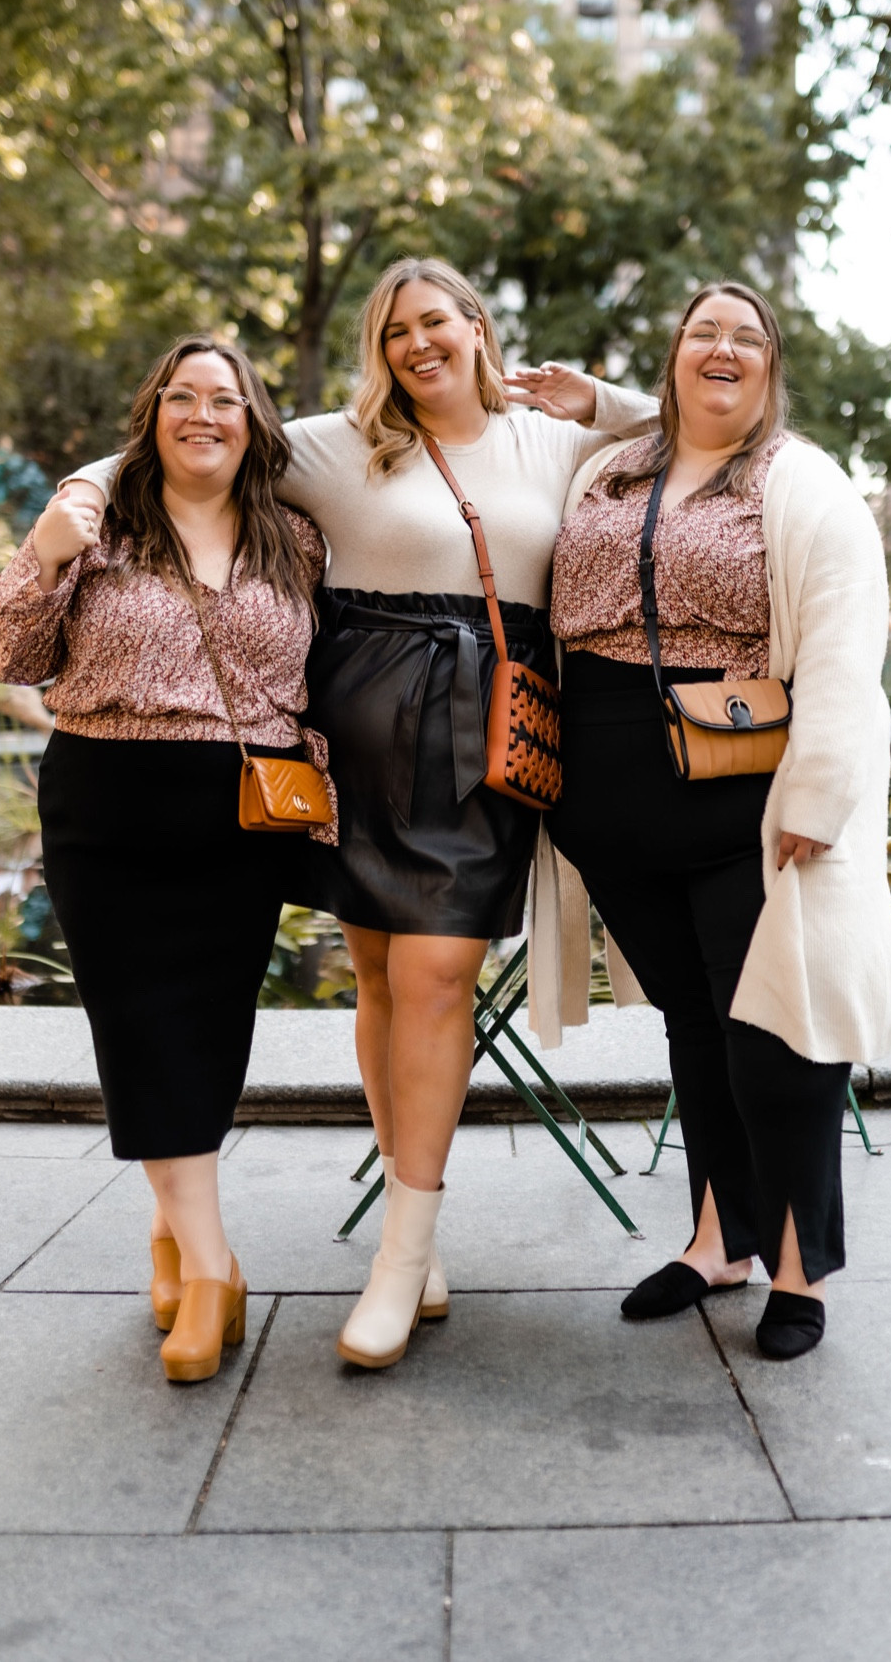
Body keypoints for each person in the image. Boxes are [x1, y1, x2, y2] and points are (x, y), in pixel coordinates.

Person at [59, 258, 657, 1369]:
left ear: (476, 326)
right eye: (394, 331)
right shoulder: (342, 444)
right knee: (379, 977)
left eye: (434, 321)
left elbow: (701, 425)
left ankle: (401, 1252)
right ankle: (408, 1227)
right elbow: (188, 444)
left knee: (438, 976)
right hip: (359, 723)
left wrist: (598, 397)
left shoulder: (554, 441)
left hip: (484, 728)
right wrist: (82, 494)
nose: (416, 344)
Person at [533, 280, 891, 1361]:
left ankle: (798, 1268)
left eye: (746, 337)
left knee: (777, 1035)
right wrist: (604, 401)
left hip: (746, 796)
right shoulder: (609, 466)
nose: (722, 349)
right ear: (673, 356)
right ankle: (717, 1241)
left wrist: (819, 796)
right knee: (693, 1025)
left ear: (772, 365)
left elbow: (844, 645)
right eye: (703, 332)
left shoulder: (803, 481)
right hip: (608, 802)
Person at [0, 336, 335, 1385]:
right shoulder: (101, 526)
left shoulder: (297, 540)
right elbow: (9, 653)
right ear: (153, 416)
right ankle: (216, 1268)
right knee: (137, 1028)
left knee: (210, 1031)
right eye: (182, 396)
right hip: (107, 803)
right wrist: (45, 550)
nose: (203, 414)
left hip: (242, 813)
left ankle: (172, 1233)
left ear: (253, 422)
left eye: (225, 399)